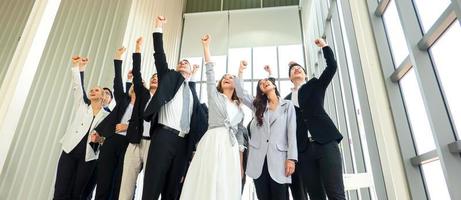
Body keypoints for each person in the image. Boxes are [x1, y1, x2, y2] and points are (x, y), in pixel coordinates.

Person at [142, 16, 208, 200]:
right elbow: (159, 55)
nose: (182, 63)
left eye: (185, 63)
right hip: (163, 137)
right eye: (180, 62)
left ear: (191, 71)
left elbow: (199, 118)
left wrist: (193, 78)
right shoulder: (169, 77)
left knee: (173, 191)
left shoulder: (193, 92)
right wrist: (158, 27)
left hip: (183, 143)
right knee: (152, 186)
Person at [179, 34, 247, 200]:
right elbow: (210, 72)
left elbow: (239, 137)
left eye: (231, 78)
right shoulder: (214, 96)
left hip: (230, 148)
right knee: (209, 178)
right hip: (213, 141)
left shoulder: (239, 109)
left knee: (225, 183)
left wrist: (240, 164)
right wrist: (206, 47)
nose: (226, 79)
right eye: (224, 78)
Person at [286, 38, 345, 200]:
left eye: (299, 68)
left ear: (305, 74)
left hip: (325, 143)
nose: (296, 69)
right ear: (290, 77)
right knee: (315, 196)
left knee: (335, 193)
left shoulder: (315, 85)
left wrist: (324, 46)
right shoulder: (286, 100)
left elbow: (332, 67)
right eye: (293, 69)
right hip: (304, 151)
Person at [234, 61, 297, 200]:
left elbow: (291, 133)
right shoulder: (258, 106)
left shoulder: (288, 105)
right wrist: (241, 71)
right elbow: (240, 93)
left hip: (279, 161)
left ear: (274, 84)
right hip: (259, 161)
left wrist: (291, 159)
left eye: (267, 81)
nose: (265, 82)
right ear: (261, 91)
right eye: (261, 84)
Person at [53, 56, 110, 200]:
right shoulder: (82, 107)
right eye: (91, 90)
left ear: (103, 97)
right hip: (69, 151)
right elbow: (78, 86)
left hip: (88, 157)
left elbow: (108, 140)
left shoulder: (107, 116)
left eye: (96, 90)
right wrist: (79, 67)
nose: (92, 91)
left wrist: (100, 139)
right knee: (60, 190)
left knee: (77, 194)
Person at [118, 37, 159, 200]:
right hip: (135, 142)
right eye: (152, 78)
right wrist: (137, 48)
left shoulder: (164, 100)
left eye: (158, 78)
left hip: (154, 144)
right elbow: (137, 72)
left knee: (149, 185)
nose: (154, 79)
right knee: (126, 183)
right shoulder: (143, 94)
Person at [89, 47, 132, 200]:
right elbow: (117, 83)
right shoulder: (123, 101)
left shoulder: (145, 107)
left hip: (129, 145)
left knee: (119, 185)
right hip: (112, 140)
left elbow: (145, 126)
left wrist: (128, 126)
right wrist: (118, 59)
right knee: (103, 182)